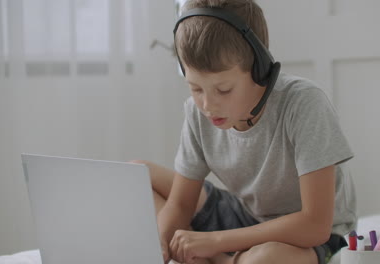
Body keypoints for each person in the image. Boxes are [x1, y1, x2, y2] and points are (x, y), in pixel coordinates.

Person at [131, 0, 357, 263]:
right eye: (195, 88)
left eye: (223, 90)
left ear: (260, 70)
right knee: (137, 174)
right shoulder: (197, 112)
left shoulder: (304, 104)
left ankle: (221, 259)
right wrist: (159, 242)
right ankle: (204, 256)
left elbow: (315, 225)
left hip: (309, 236)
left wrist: (215, 241)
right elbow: (181, 205)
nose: (207, 105)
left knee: (263, 259)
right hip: (245, 217)